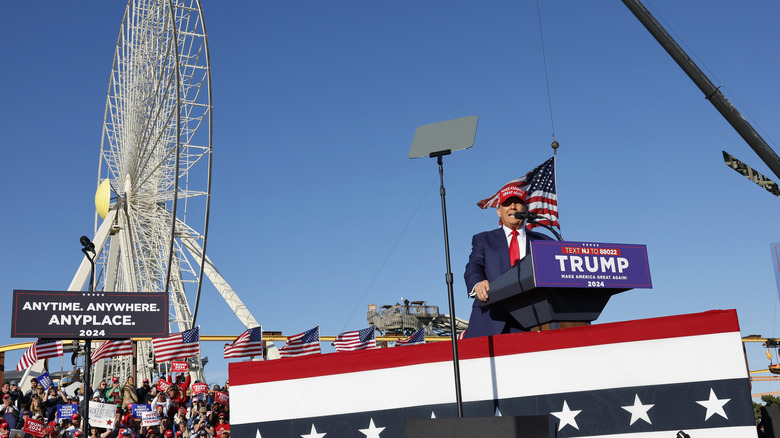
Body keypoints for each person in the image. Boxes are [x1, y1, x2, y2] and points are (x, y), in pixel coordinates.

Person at [464, 186, 553, 338]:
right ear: (499, 211)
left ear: (525, 208)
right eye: (507, 203)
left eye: (517, 203)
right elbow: (474, 265)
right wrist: (478, 283)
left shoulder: (544, 241)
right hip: (492, 319)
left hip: (534, 320)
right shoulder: (483, 240)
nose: (513, 206)